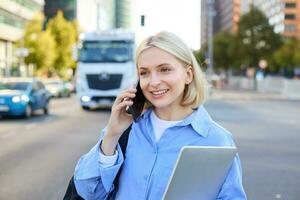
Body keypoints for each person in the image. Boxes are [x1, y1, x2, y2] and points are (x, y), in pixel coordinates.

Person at [73, 31, 247, 200]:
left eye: (164, 69)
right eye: (144, 73)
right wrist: (111, 135)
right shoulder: (127, 130)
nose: (154, 82)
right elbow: (90, 194)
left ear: (188, 75)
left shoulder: (217, 140)